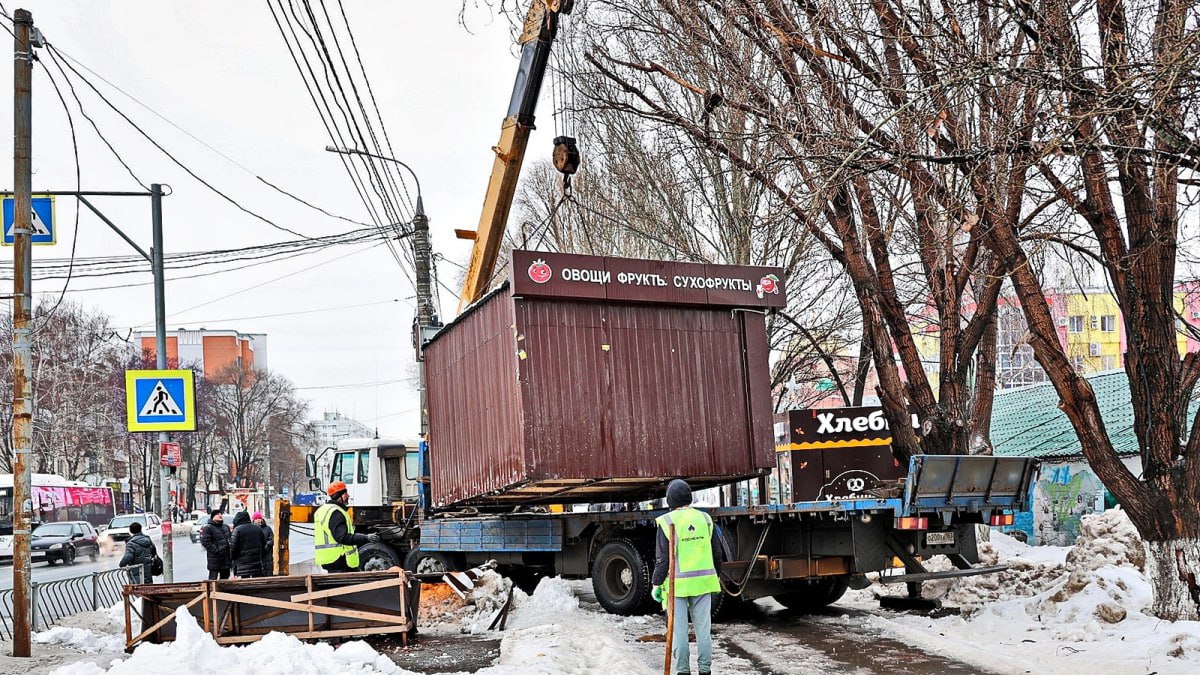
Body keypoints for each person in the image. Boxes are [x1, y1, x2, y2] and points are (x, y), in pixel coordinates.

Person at [651, 479, 722, 675]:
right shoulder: (705, 519)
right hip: (703, 584)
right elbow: (717, 552)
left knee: (678, 632)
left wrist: (656, 584)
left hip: (677, 587)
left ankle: (683, 671)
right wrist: (717, 573)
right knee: (703, 631)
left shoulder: (667, 521)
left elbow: (662, 559)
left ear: (670, 500)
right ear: (689, 498)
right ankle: (705, 670)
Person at [313, 481, 379, 573]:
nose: (348, 496)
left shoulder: (323, 510)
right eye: (345, 494)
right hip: (339, 560)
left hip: (331, 560)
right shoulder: (336, 512)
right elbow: (343, 537)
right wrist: (365, 537)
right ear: (338, 496)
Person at [230, 511, 268, 578]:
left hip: (242, 564)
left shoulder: (237, 530)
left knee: (245, 583)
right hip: (257, 564)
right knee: (257, 583)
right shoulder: (258, 528)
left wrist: (234, 559)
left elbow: (233, 548)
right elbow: (263, 544)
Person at [199, 509, 233, 580]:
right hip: (215, 559)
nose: (220, 515)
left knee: (225, 580)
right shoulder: (208, 528)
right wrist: (216, 550)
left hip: (226, 558)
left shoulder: (225, 527)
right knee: (213, 580)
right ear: (213, 517)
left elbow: (230, 539)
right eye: (218, 514)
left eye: (221, 514)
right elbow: (206, 542)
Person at [253, 511, 275, 576]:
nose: (258, 520)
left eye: (259, 518)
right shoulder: (252, 529)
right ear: (254, 520)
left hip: (267, 554)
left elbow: (271, 539)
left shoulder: (267, 528)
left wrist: (266, 546)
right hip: (257, 554)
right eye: (256, 519)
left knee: (268, 571)